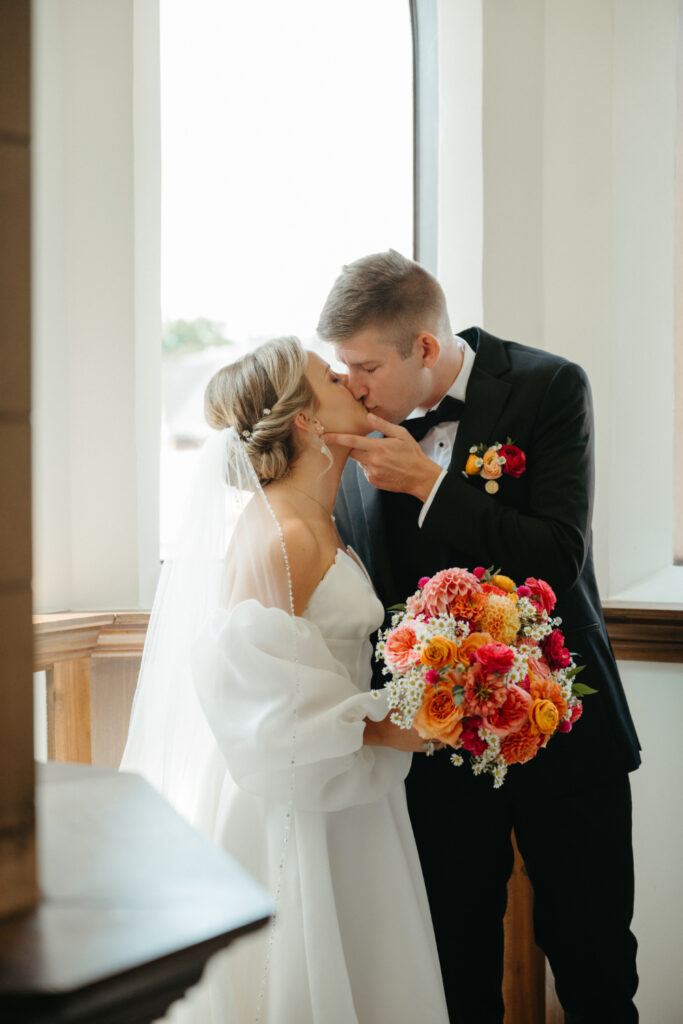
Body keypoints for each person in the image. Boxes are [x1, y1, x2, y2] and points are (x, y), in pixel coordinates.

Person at [317, 250, 641, 1024]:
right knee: (450, 969)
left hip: (561, 725)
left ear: (423, 348)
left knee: (595, 962)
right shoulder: (350, 424)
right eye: (341, 367)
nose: (350, 386)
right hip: (429, 751)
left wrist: (431, 486)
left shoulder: (546, 386)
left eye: (363, 366)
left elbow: (558, 556)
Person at [121, 336, 449, 1024]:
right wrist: (416, 724)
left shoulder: (312, 519)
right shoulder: (284, 537)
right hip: (304, 799)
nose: (354, 385)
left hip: (345, 787)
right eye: (332, 379)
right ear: (306, 420)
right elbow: (267, 699)